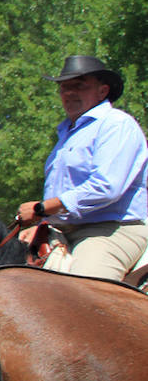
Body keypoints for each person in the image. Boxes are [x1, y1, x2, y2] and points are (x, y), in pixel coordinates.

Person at [16, 55, 148, 281]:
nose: (68, 93)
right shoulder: (66, 134)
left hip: (111, 230)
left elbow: (106, 187)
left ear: (103, 91)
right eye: (63, 87)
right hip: (63, 230)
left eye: (79, 85)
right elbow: (62, 191)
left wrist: (41, 209)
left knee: (84, 290)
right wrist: (43, 221)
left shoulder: (116, 124)